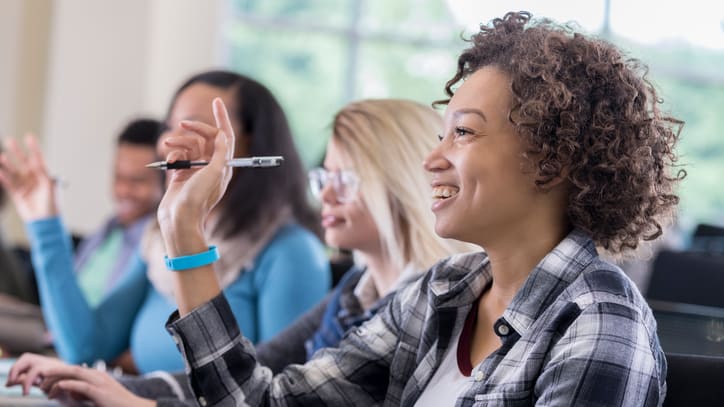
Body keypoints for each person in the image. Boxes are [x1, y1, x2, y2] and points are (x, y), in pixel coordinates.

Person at [13, 11, 683, 405]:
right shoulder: (440, 292)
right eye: (441, 130)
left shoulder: (600, 329)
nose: (431, 158)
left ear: (553, 158)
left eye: (466, 131)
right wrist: (184, 227)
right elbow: (260, 400)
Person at [5, 98, 475, 406]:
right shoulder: (354, 290)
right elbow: (246, 375)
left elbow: (249, 393)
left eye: (345, 179)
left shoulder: (413, 301)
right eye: (323, 177)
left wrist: (134, 401)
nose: (326, 196)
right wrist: (104, 387)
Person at [0, 70, 330, 374]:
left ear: (248, 144)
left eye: (193, 126)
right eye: (169, 126)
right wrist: (44, 222)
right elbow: (84, 346)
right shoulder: (158, 239)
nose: (168, 143)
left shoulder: (293, 252)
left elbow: (274, 390)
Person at [0, 118, 162, 357]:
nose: (123, 191)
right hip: (53, 326)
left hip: (70, 341)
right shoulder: (107, 231)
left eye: (137, 181)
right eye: (118, 178)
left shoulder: (153, 242)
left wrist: (45, 225)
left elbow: (87, 345)